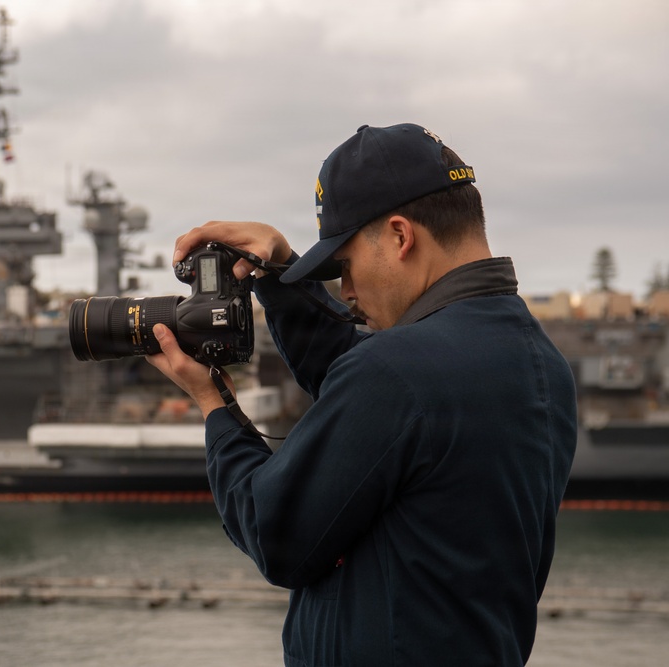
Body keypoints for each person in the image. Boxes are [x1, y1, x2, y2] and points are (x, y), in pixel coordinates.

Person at [146, 123, 577, 666]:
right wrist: (281, 278)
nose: (346, 294)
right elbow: (382, 404)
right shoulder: (539, 362)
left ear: (400, 235)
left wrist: (214, 405)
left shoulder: (397, 372)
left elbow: (273, 531)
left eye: (345, 266)